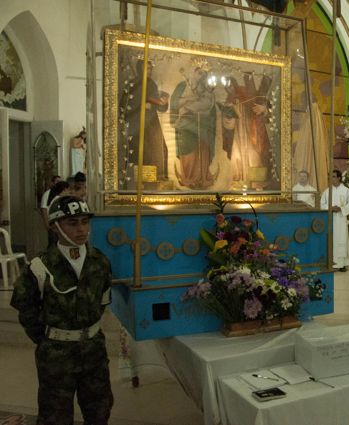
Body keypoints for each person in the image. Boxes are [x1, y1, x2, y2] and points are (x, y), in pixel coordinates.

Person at [11, 195, 113, 424]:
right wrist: (47, 339)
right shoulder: (39, 266)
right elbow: (26, 308)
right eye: (72, 223)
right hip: (56, 355)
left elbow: (103, 301)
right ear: (54, 226)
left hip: (94, 351)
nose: (81, 229)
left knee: (99, 411)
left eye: (85, 222)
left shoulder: (100, 262)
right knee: (55, 416)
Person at [121, 59, 169, 188]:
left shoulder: (151, 84)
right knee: (139, 153)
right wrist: (142, 105)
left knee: (159, 150)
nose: (149, 71)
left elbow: (159, 105)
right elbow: (125, 105)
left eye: (150, 69)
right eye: (146, 68)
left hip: (152, 124)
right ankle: (138, 183)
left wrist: (163, 103)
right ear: (140, 69)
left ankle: (154, 182)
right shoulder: (132, 85)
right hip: (137, 125)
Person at [170, 67, 216, 189]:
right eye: (199, 73)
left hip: (203, 125)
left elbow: (208, 105)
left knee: (202, 150)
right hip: (186, 124)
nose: (201, 76)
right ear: (194, 72)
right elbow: (174, 104)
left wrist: (193, 105)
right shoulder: (182, 86)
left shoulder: (207, 90)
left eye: (204, 74)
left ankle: (202, 178)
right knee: (188, 151)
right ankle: (189, 178)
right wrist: (189, 99)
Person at [321, 169, 349, 271]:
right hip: (330, 219)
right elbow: (322, 204)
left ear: (339, 178)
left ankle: (342, 264)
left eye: (333, 177)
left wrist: (341, 209)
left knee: (341, 239)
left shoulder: (347, 191)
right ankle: (331, 263)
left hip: (341, 219)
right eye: (330, 177)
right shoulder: (327, 191)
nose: (331, 179)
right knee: (331, 240)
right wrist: (330, 208)